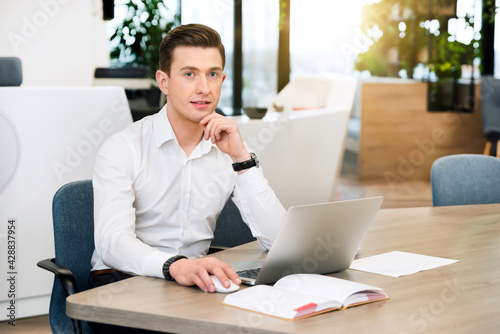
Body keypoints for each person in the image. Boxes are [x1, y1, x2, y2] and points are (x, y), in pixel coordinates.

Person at [90, 23, 285, 299]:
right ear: (164, 82)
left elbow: (278, 241)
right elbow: (112, 244)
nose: (203, 88)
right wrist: (174, 266)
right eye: (189, 74)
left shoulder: (229, 149)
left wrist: (242, 159)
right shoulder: (123, 148)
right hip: (123, 281)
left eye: (212, 74)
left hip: (193, 284)